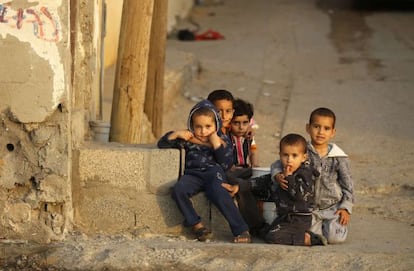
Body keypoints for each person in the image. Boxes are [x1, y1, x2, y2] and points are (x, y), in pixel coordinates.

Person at [157, 99, 251, 243]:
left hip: (214, 173)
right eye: (198, 127)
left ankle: (241, 229)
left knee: (219, 193)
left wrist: (216, 146)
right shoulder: (188, 138)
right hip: (192, 174)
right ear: (191, 126)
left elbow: (226, 165)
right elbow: (162, 144)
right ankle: (197, 225)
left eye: (208, 126)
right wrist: (175, 134)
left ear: (216, 125)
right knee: (178, 190)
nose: (203, 131)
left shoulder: (222, 140)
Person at [273, 107, 354, 244]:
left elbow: (348, 184)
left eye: (326, 128)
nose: (321, 132)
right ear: (308, 128)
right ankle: (318, 233)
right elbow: (276, 164)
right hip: (308, 209)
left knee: (336, 238)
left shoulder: (338, 157)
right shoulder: (302, 151)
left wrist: (345, 207)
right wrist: (277, 175)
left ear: (333, 132)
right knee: (308, 233)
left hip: (332, 207)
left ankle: (330, 227)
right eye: (316, 126)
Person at [207, 90, 265, 235]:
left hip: (243, 169)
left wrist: (255, 165)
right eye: (237, 123)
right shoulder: (223, 130)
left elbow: (253, 150)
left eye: (245, 123)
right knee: (240, 184)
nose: (241, 127)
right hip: (227, 171)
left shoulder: (247, 135)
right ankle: (255, 225)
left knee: (262, 175)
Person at [258, 133, 326, 246]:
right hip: (284, 217)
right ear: (280, 155)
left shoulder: (305, 174)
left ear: (303, 157)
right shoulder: (281, 173)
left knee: (272, 237)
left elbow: (299, 195)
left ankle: (308, 239)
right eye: (285, 155)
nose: (289, 160)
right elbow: (267, 181)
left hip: (298, 219)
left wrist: (290, 178)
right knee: (265, 232)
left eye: (294, 156)